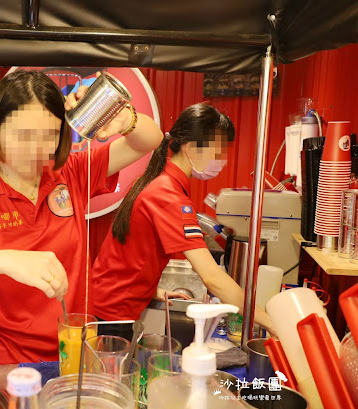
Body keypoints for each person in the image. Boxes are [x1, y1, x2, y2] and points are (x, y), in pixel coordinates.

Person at [0, 70, 163, 364]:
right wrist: (5, 260)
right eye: (23, 135)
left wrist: (125, 119)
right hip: (12, 360)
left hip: (79, 349)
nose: (36, 149)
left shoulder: (72, 172)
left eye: (49, 135)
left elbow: (149, 141)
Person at [92, 103, 276, 339]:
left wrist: (150, 290)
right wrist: (269, 321)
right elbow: (213, 278)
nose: (222, 160)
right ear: (191, 149)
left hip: (109, 303)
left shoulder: (159, 180)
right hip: (112, 316)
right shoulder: (169, 196)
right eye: (217, 152)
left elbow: (130, 252)